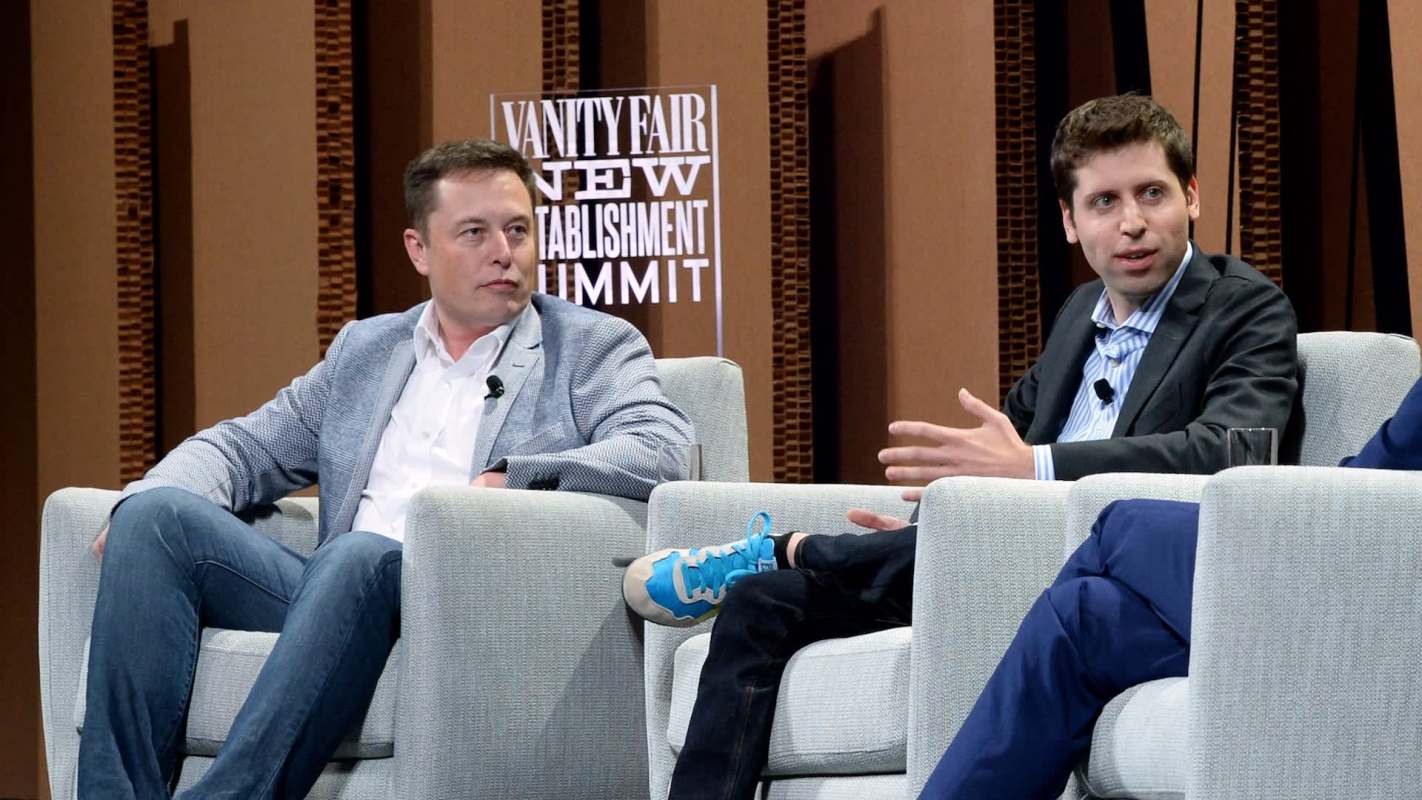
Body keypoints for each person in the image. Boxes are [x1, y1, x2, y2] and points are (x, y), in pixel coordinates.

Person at [621, 94, 1298, 800]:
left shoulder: (1244, 309)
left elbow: (1227, 453)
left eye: (1152, 193)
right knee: (760, 605)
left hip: (1107, 567)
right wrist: (937, 523)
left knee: (802, 572)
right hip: (995, 553)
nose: (1132, 222)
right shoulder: (1079, 314)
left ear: (1192, 197)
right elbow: (999, 450)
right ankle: (793, 565)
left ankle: (795, 547)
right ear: (1070, 221)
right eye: (1104, 202)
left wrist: (1035, 467)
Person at [78, 138, 693, 799]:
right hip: (334, 600)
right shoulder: (366, 351)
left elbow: (661, 446)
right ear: (418, 249)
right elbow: (243, 448)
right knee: (154, 516)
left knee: (361, 553)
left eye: (518, 230)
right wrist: (153, 493)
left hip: (457, 599)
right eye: (475, 232)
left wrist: (511, 478)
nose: (503, 252)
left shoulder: (588, 345)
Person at [919, 373, 1422, 798]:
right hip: (1346, 565)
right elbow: (1375, 475)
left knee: (1121, 526)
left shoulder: (1244, 311)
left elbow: (1374, 485)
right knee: (1083, 616)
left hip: (1366, 593)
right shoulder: (1076, 322)